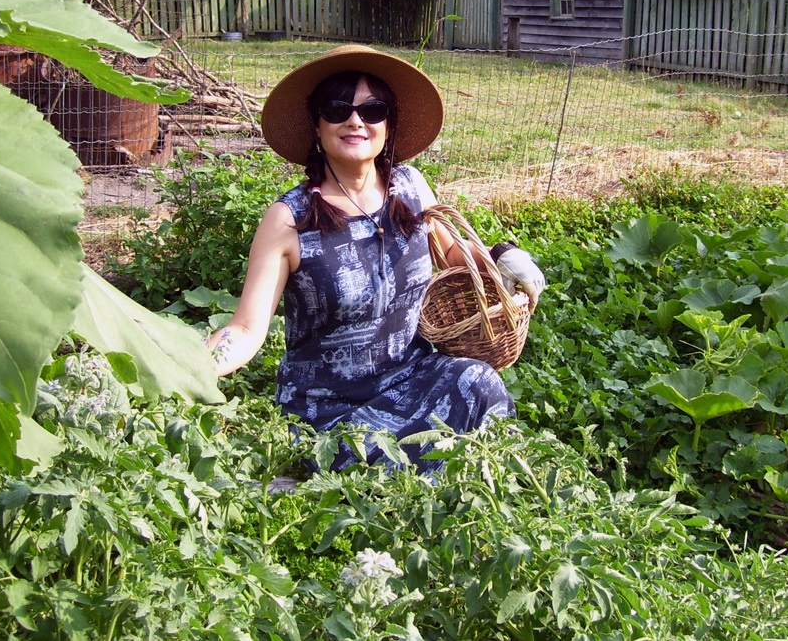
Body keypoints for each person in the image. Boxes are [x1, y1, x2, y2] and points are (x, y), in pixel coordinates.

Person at [207, 45, 545, 471]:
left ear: (388, 123)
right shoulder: (289, 220)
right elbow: (246, 328)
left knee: (479, 383)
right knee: (400, 460)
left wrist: (503, 257)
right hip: (331, 413)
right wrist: (194, 364)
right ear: (316, 124)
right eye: (336, 109)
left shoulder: (409, 186)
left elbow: (454, 255)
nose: (355, 121)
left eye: (372, 110)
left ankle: (484, 486)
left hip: (411, 378)